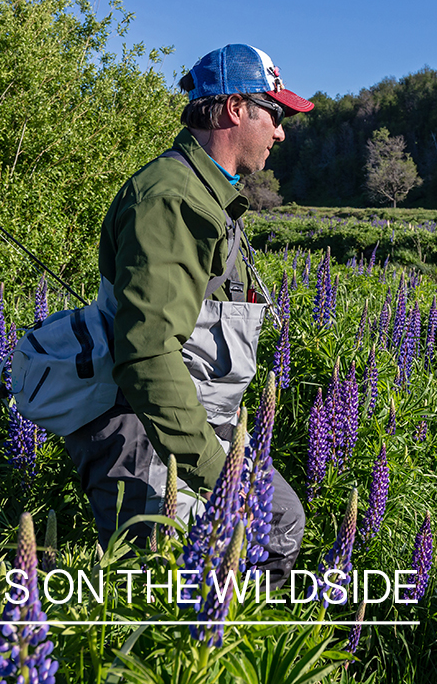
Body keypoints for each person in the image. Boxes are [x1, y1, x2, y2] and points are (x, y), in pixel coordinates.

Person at [63, 44, 312, 586]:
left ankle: (230, 643)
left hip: (196, 418)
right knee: (156, 593)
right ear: (233, 111)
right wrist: (218, 474)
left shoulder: (208, 195)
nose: (281, 132)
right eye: (274, 113)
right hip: (143, 426)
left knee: (281, 522)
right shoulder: (172, 199)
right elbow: (148, 356)